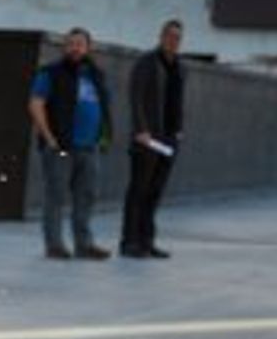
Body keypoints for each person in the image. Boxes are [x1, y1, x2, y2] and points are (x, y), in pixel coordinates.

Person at [28, 27, 112, 259]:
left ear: (88, 47)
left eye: (80, 44)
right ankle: (54, 245)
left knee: (86, 196)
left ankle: (83, 244)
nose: (75, 48)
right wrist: (49, 138)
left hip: (90, 147)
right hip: (61, 147)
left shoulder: (96, 75)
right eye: (71, 43)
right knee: (56, 196)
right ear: (65, 47)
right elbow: (36, 104)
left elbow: (104, 109)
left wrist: (104, 136)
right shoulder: (52, 73)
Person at [120, 19, 185, 259]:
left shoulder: (179, 66)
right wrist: (141, 129)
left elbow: (177, 101)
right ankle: (129, 243)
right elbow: (135, 96)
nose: (173, 41)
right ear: (161, 36)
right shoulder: (147, 63)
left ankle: (146, 242)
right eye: (169, 35)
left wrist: (179, 131)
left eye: (177, 37)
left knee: (155, 192)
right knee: (138, 191)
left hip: (169, 139)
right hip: (147, 138)